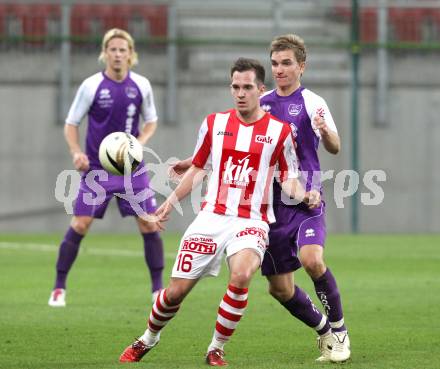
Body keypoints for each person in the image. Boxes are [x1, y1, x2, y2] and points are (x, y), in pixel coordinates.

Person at [119, 58, 324, 366]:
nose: (240, 93)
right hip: (211, 218)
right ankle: (148, 338)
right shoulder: (214, 123)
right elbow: (199, 168)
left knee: (241, 275)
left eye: (247, 87)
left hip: (252, 220)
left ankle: (216, 348)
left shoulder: (280, 133)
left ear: (260, 90)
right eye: (235, 87)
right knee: (175, 292)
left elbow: (288, 178)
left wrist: (305, 194)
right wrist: (169, 203)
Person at [48, 28, 164, 307]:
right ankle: (58, 288)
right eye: (112, 49)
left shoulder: (141, 85)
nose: (117, 54)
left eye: (123, 49)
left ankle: (158, 290)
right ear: (104, 53)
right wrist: (76, 153)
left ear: (131, 54)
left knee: (149, 225)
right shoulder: (91, 86)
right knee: (80, 223)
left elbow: (151, 121)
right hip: (97, 171)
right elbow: (71, 124)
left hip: (131, 170)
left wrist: (139, 142)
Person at [260, 34, 350, 363]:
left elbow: (335, 146)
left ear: (301, 66)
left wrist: (325, 131)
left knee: (312, 260)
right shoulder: (261, 102)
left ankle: (340, 332)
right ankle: (324, 330)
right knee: (279, 289)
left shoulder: (312, 102)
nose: (279, 69)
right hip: (269, 206)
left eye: (286, 63)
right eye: (274, 64)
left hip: (307, 197)